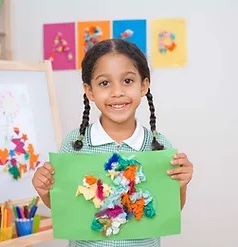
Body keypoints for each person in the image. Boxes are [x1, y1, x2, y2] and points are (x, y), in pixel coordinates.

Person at [32, 38, 193, 247]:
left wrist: (182, 185)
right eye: (104, 83)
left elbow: (169, 209)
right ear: (89, 91)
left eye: (127, 81)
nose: (117, 92)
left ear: (144, 85)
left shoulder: (159, 146)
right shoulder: (74, 143)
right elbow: (66, 207)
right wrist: (46, 191)